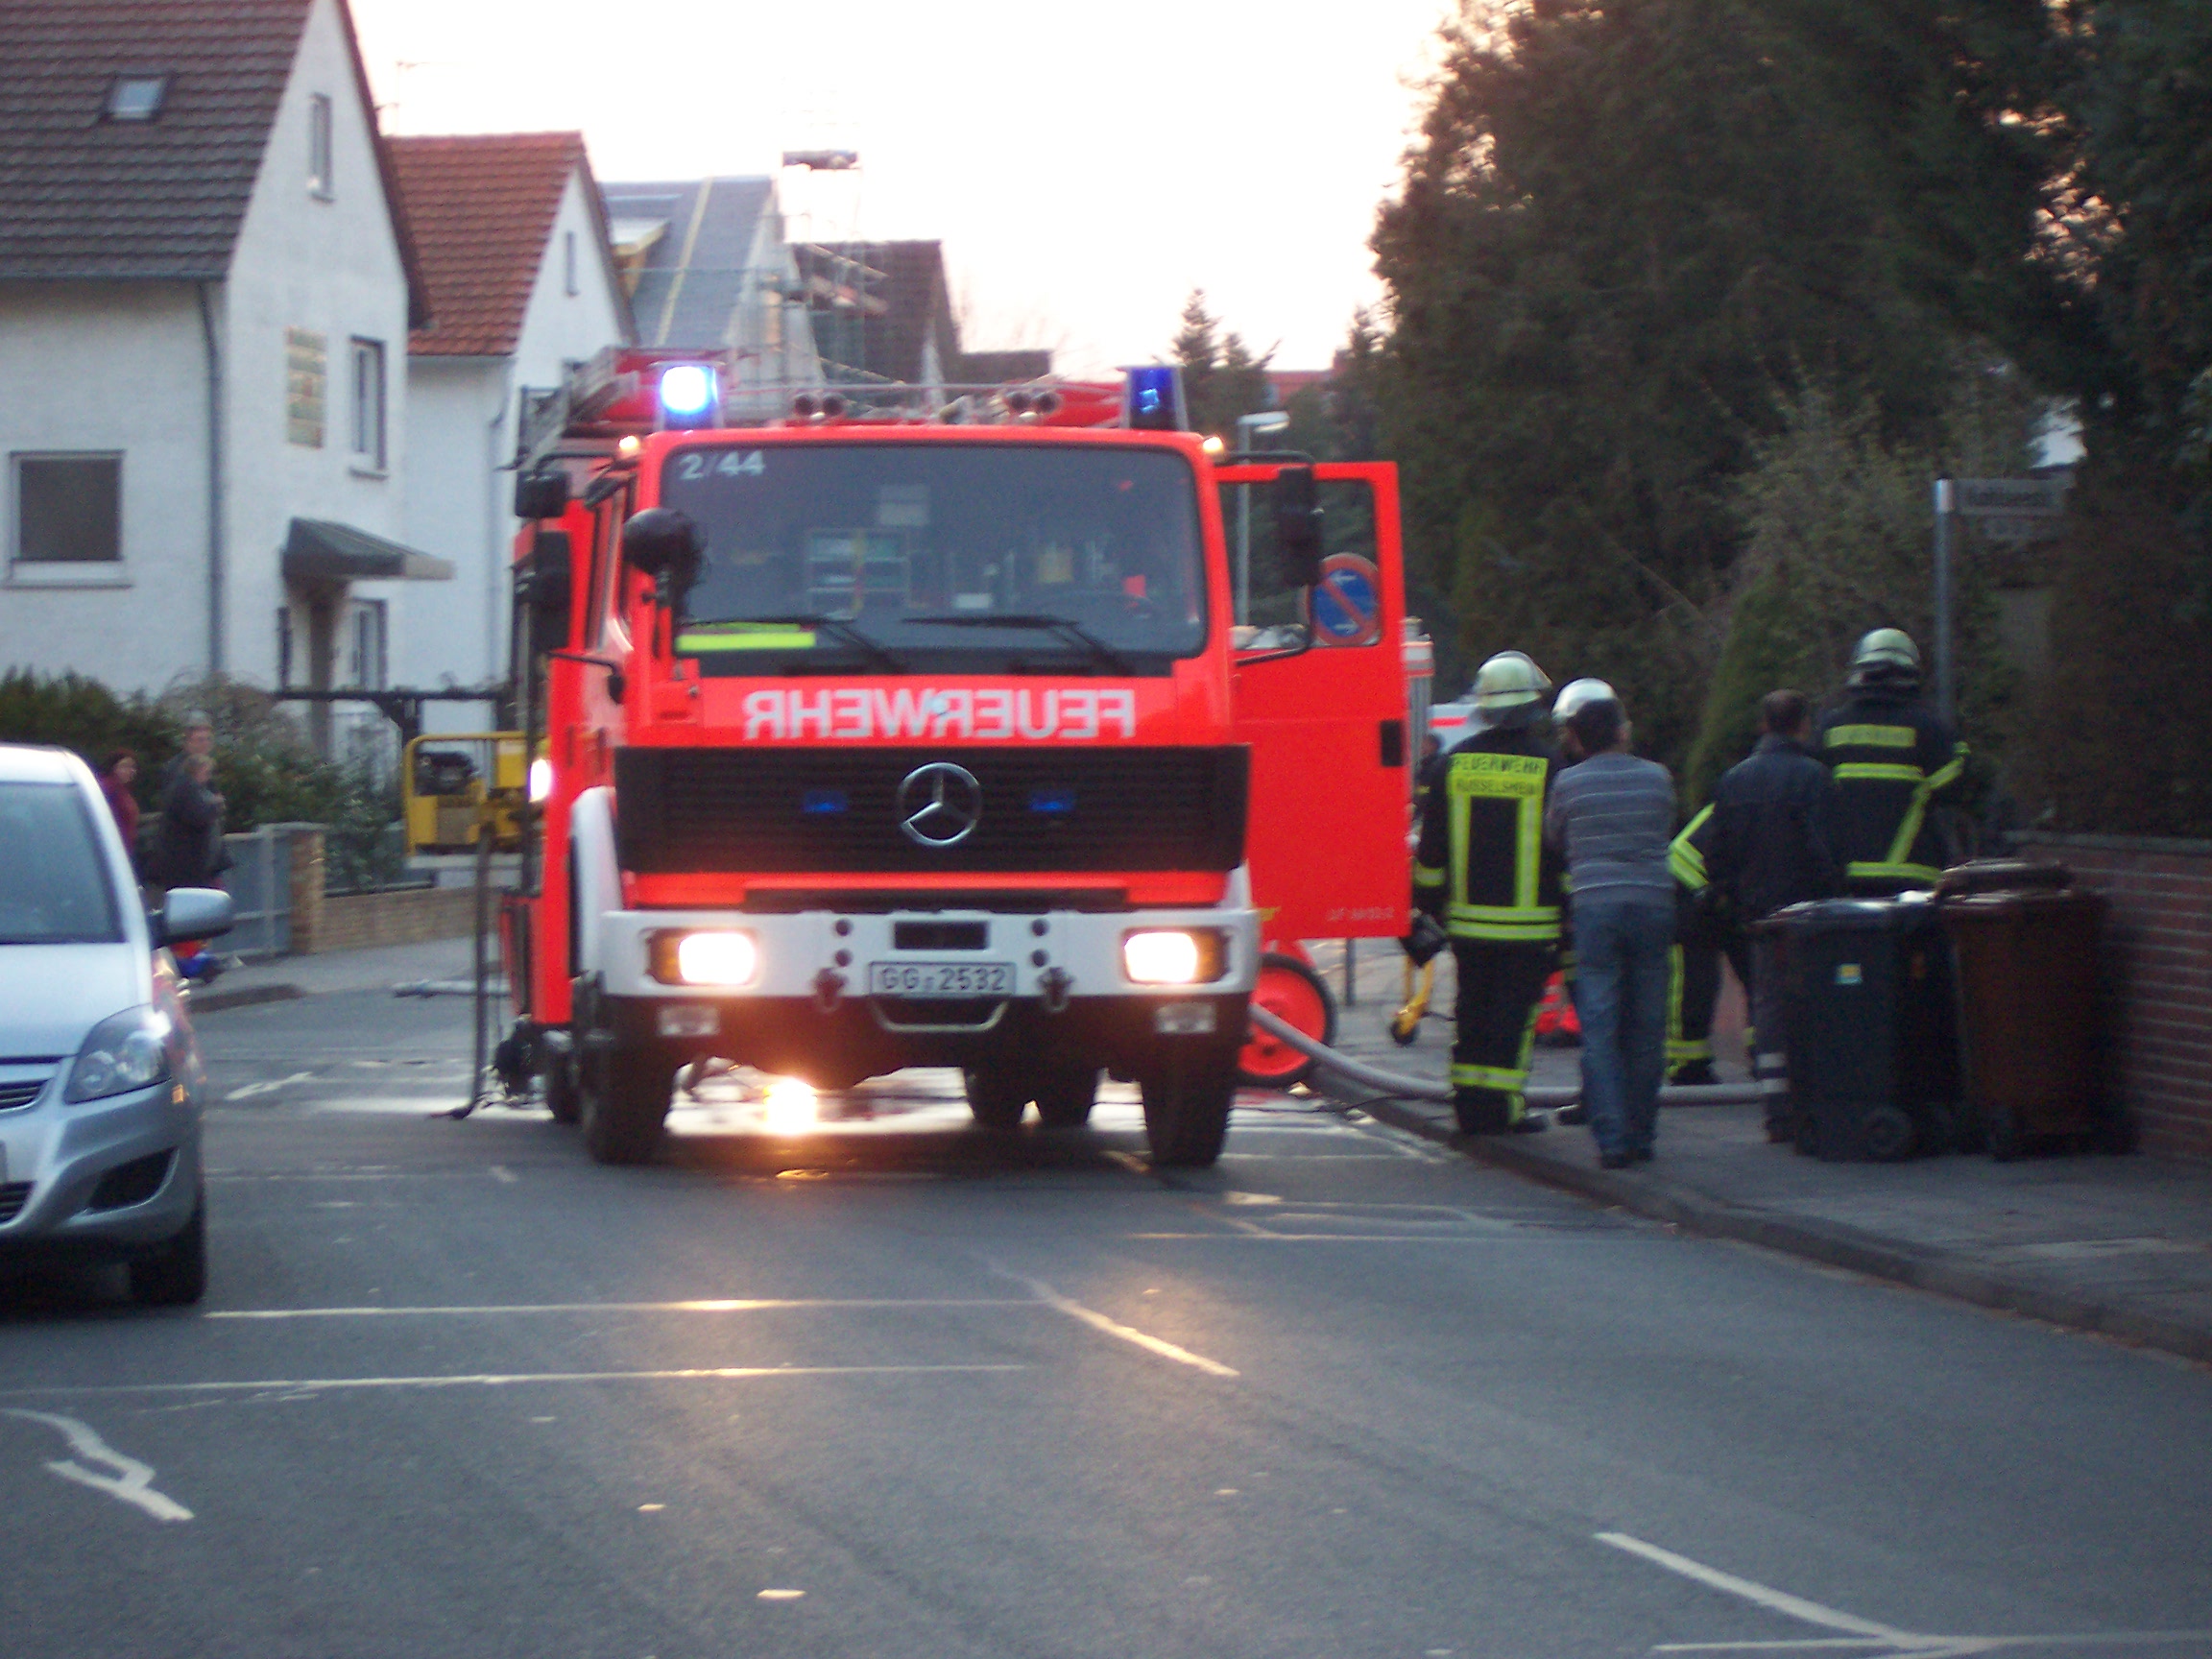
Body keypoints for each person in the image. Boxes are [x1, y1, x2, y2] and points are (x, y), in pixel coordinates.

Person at [1412, 650, 1563, 1136]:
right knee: (1512, 1020)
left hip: (1467, 926)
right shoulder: (1551, 766)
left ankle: (1469, 1108)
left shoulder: (1451, 765)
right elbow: (1564, 851)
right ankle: (1504, 1112)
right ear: (1532, 706)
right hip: (1531, 926)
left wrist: (1428, 911)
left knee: (1472, 1014)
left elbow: (1431, 856)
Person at [1702, 688, 1844, 1140]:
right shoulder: (1815, 778)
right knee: (1815, 1005)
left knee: (1767, 1009)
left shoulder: (1734, 781)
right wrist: (1831, 894)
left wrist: (1734, 897)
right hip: (1808, 917)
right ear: (1803, 725)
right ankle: (1816, 1100)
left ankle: (1776, 1106)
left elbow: (1717, 855)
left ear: (1764, 725)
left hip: (1758, 917)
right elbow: (1827, 852)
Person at [1544, 694, 1677, 1168]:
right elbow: (1665, 827)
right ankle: (1643, 1134)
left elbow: (1554, 839)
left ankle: (1612, 1139)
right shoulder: (1658, 778)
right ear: (1622, 732)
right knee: (1647, 1026)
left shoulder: (1568, 784)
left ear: (1578, 739)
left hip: (1595, 908)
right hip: (1652, 905)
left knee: (1599, 1025)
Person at [1816, 629, 1966, 895]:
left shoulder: (1830, 728)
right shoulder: (1928, 728)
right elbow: (1957, 789)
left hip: (1843, 875)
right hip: (1912, 875)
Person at [97, 751, 141, 875]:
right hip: (113, 848)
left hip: (126, 847)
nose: (130, 771)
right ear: (113, 767)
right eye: (125, 766)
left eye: (132, 767)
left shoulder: (122, 789)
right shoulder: (107, 788)